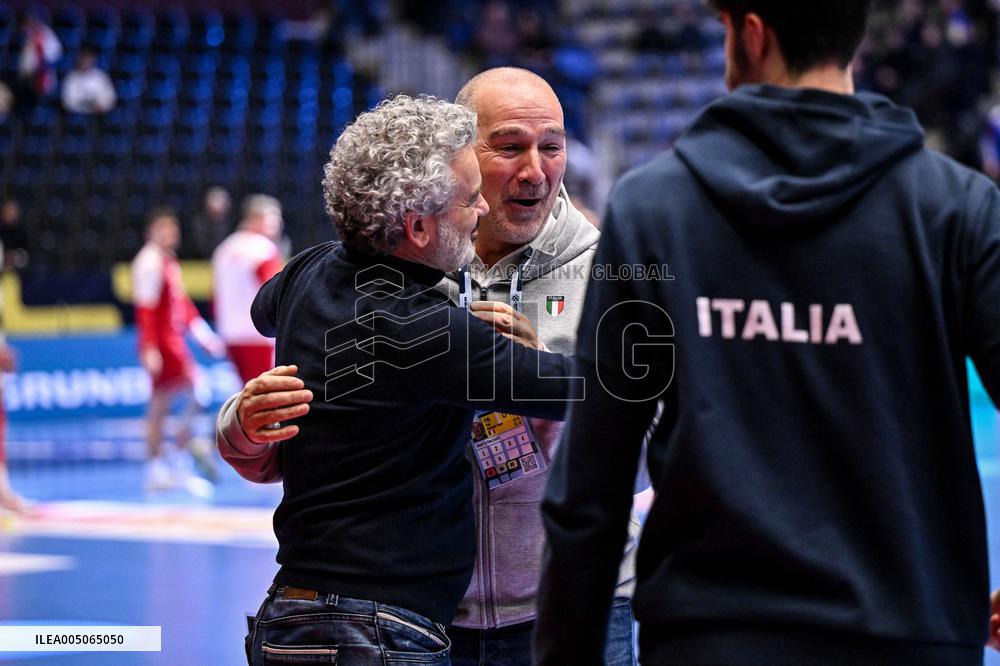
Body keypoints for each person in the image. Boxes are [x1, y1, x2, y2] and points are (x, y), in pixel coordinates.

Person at [534, 1, 1000, 664]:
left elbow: (591, 483)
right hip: (911, 632)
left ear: (752, 34)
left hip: (714, 637)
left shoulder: (652, 209)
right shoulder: (958, 207)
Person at [218, 68, 645, 665]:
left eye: (552, 145)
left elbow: (269, 311)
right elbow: (599, 387)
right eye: (507, 148)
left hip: (568, 603)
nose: (533, 170)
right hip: (411, 624)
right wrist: (242, 422)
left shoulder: (316, 267)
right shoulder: (431, 324)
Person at [132, 208, 224, 493]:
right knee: (184, 396)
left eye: (172, 229)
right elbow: (145, 309)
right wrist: (149, 347)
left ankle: (166, 466)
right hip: (163, 344)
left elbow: (182, 305)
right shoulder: (149, 261)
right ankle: (168, 465)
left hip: (173, 340)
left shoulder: (168, 260)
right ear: (151, 232)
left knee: (166, 401)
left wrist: (203, 335)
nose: (169, 234)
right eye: (163, 229)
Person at [211, 195, 284, 383]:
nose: (278, 224)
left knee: (248, 387)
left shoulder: (224, 248)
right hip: (258, 334)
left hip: (230, 332)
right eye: (273, 219)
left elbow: (216, 293)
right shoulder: (263, 249)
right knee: (265, 390)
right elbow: (275, 291)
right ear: (255, 219)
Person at [60, 47, 116, 115]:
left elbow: (110, 97)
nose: (86, 62)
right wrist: (87, 106)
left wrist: (100, 105)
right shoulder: (71, 78)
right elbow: (67, 102)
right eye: (84, 59)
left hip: (99, 115)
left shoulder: (101, 76)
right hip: (77, 115)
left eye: (88, 60)